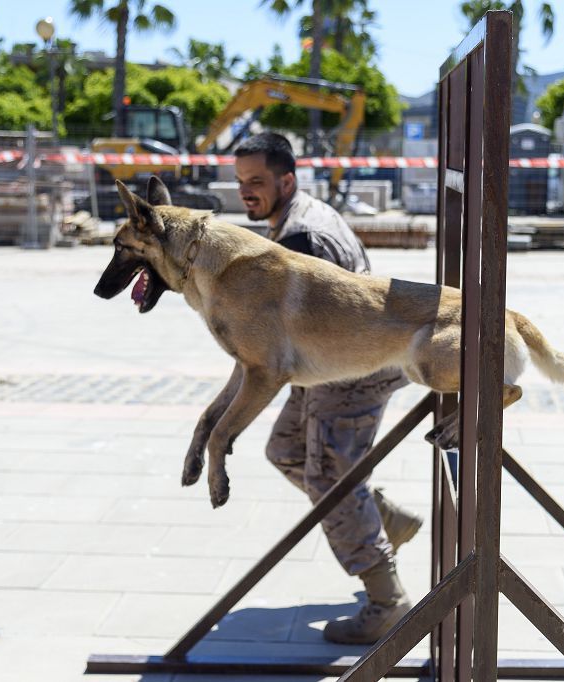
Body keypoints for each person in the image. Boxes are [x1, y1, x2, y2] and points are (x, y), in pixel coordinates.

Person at [232, 132, 422, 644]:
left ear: (286, 180)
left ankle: (386, 601)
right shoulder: (297, 217)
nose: (246, 192)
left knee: (332, 477)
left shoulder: (300, 238)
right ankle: (386, 520)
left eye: (257, 182)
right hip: (331, 362)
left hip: (352, 370)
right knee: (287, 448)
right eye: (241, 182)